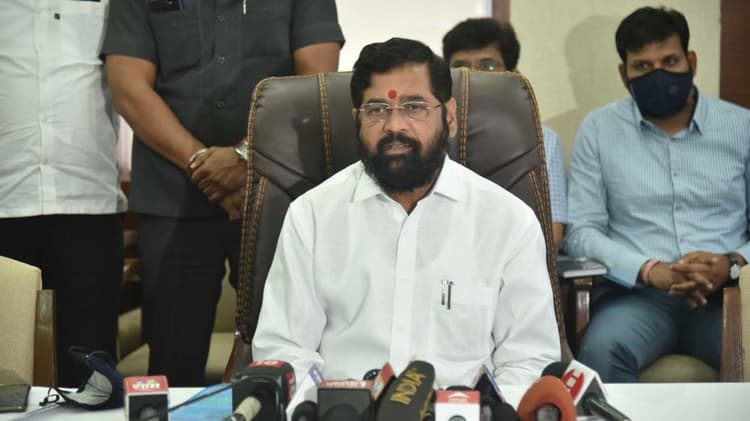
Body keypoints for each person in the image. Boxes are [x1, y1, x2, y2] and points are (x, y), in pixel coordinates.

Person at [252, 38, 560, 386]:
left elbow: (529, 360)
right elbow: (285, 350)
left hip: (461, 407)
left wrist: (487, 409)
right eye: (377, 110)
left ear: (450, 117)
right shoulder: (311, 217)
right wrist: (328, 405)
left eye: (414, 107)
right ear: (357, 120)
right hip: (345, 406)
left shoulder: (508, 221)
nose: (395, 125)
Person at [102, 0, 345, 386]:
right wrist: (202, 162)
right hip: (171, 194)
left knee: (285, 349)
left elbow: (316, 82)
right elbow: (129, 88)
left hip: (276, 192)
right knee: (172, 358)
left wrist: (246, 157)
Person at [566, 6, 750, 382]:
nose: (659, 74)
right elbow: (581, 232)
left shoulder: (741, 127)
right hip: (639, 298)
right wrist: (651, 270)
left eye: (670, 61)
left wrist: (730, 263)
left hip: (726, 296)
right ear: (624, 74)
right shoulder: (599, 130)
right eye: (643, 66)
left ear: (691, 61)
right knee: (602, 348)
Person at [0, 1, 126, 386]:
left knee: (90, 370)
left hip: (88, 199)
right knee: (5, 372)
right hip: (6, 199)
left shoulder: (112, 5)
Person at [443, 18, 568, 252]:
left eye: (488, 66)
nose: (473, 77)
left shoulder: (543, 139)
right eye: (461, 68)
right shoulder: (430, 138)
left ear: (513, 77)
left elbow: (552, 235)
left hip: (517, 260)